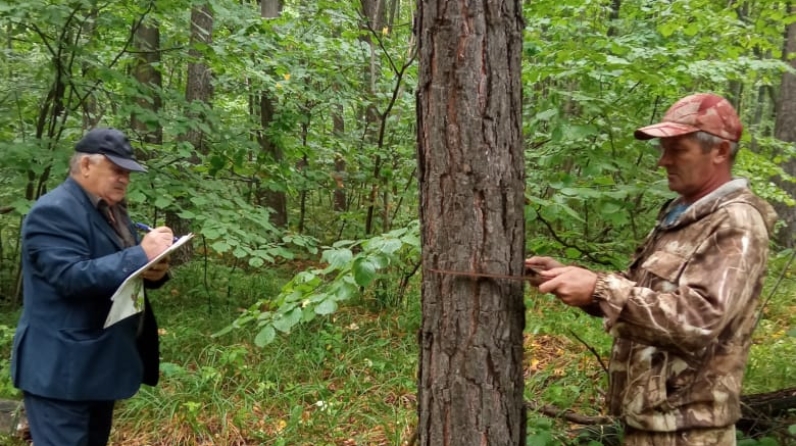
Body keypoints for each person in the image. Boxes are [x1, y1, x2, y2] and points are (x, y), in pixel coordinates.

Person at [526, 93, 777, 446]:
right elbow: (645, 293)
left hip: (690, 430)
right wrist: (573, 279)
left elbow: (699, 320)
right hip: (651, 421)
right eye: (663, 149)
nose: (663, 161)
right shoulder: (681, 215)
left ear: (720, 151)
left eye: (677, 150)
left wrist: (600, 288)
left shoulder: (735, 222)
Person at [10, 128, 174, 446]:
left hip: (97, 365)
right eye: (116, 170)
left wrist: (154, 270)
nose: (124, 179)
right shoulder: (54, 211)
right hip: (61, 372)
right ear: (86, 165)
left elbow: (118, 270)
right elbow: (70, 277)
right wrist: (141, 253)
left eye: (128, 173)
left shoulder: (110, 210)